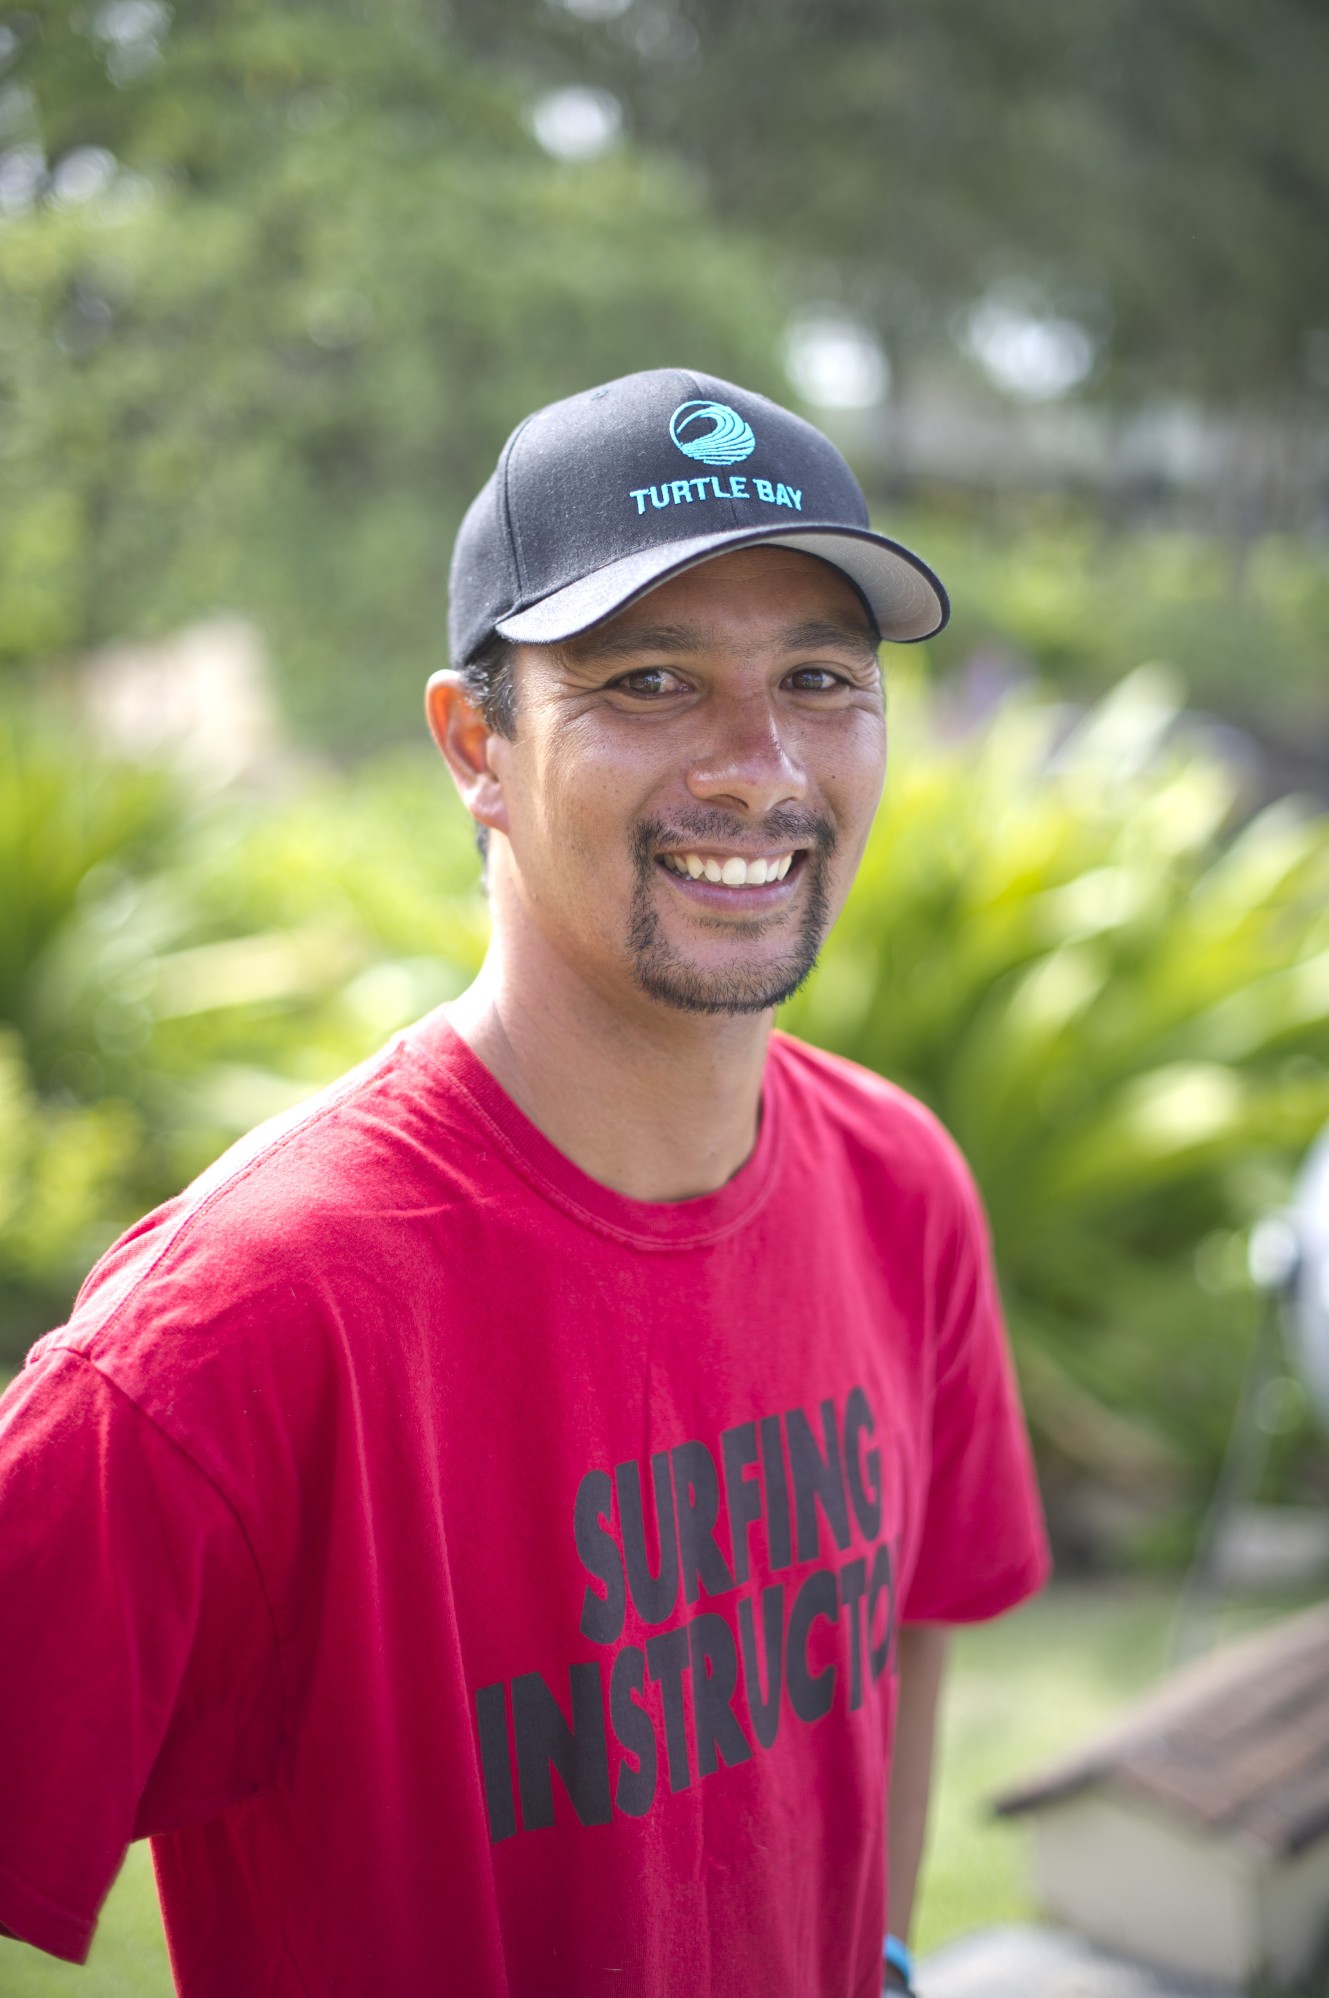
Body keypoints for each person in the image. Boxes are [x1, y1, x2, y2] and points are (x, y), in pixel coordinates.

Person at [0, 368, 1048, 1997]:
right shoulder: (240, 1324)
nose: (757, 766)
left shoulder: (900, 1189)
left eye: (819, 677)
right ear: (475, 744)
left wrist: (886, 1955)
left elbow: (907, 1623)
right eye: (649, 680)